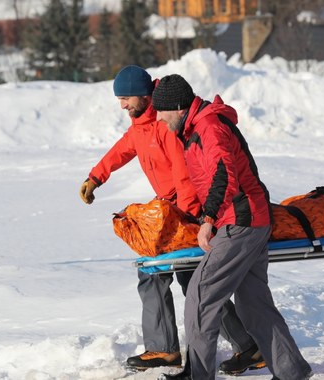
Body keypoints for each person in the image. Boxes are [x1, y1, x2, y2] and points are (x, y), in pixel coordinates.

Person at [79, 65, 265, 375]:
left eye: (126, 98)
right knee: (189, 279)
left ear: (143, 95)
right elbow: (122, 150)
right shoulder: (140, 124)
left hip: (186, 210)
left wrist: (188, 217)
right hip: (173, 209)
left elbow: (186, 175)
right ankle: (246, 345)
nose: (122, 105)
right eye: (119, 99)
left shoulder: (166, 124)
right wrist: (96, 177)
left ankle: (166, 349)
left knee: (162, 273)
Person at [152, 74, 313, 380]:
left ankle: (198, 375)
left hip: (239, 221)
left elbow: (224, 175)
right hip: (250, 219)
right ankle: (291, 372)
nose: (158, 118)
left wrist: (209, 219)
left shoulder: (209, 127)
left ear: (177, 107)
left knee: (200, 298)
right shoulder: (198, 128)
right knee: (254, 304)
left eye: (161, 111)